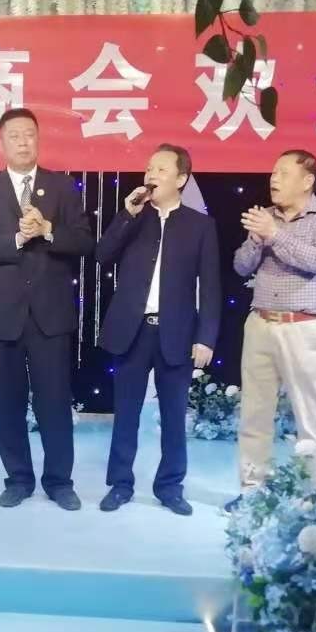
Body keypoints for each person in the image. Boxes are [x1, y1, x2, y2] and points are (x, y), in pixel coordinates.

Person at [0, 108, 95, 511]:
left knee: (54, 403)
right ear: (0, 144)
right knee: (8, 405)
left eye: (29, 135)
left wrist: (48, 230)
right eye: (14, 136)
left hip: (50, 315)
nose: (23, 142)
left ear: (38, 139)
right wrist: (18, 239)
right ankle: (18, 479)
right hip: (3, 315)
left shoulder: (63, 186)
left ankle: (59, 482)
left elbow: (85, 242)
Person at [96, 144, 220, 516]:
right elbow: (102, 255)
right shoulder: (135, 217)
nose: (151, 174)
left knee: (173, 417)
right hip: (133, 331)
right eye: (150, 168)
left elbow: (210, 286)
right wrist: (126, 215)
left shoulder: (200, 225)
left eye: (162, 169)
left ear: (181, 179)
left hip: (177, 333)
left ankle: (170, 487)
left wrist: (206, 337)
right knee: (126, 414)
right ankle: (120, 484)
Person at [227, 149, 316, 511]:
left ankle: (309, 496)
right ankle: (252, 491)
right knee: (254, 414)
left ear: (307, 181)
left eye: (282, 173)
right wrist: (256, 239)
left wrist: (275, 234)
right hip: (261, 324)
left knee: (308, 418)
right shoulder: (266, 217)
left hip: (305, 327)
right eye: (273, 173)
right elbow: (240, 266)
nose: (273, 179)